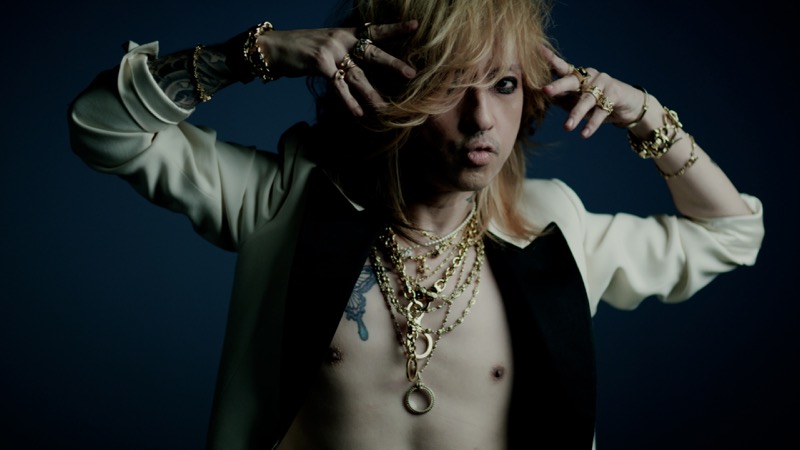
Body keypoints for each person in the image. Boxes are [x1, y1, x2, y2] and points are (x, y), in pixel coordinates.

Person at [67, 0, 764, 448]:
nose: (482, 118)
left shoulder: (553, 228)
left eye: (504, 84)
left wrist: (649, 119)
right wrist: (254, 54)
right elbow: (103, 128)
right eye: (449, 84)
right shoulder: (286, 199)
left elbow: (731, 234)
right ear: (386, 83)